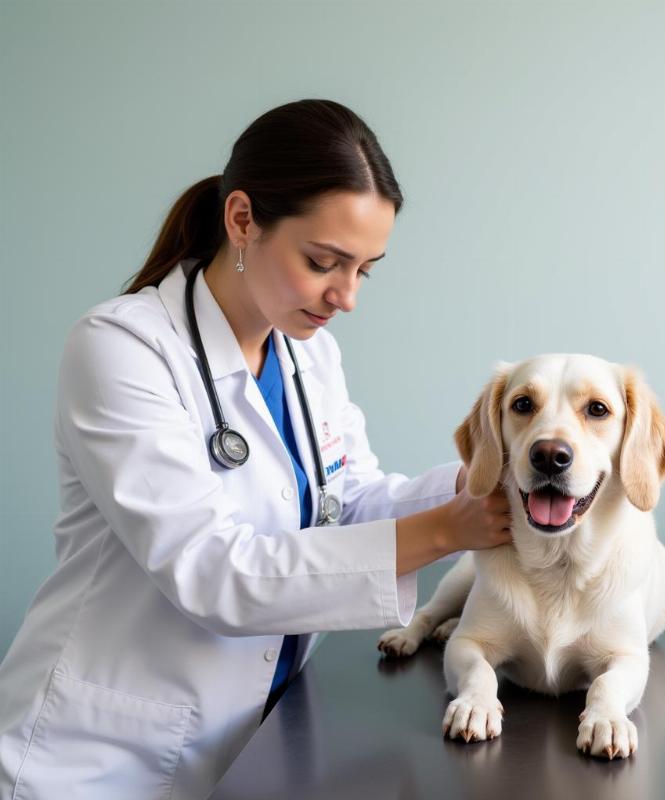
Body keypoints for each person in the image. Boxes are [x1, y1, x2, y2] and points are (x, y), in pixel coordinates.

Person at [0, 99, 512, 800]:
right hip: (99, 760)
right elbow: (211, 572)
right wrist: (445, 529)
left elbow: (351, 500)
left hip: (255, 744)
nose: (347, 297)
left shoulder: (309, 356)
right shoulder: (122, 348)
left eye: (366, 270)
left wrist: (480, 481)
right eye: (324, 261)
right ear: (242, 219)